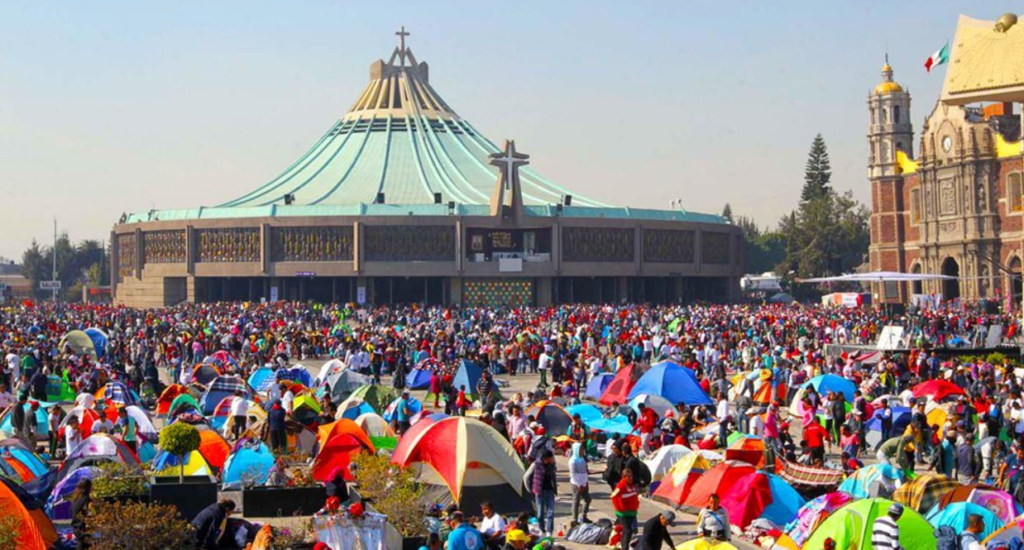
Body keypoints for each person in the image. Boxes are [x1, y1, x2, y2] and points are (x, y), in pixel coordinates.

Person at [610, 467, 640, 550]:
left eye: (631, 476)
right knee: (628, 531)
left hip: (631, 513)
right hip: (623, 514)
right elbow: (613, 496)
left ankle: (623, 547)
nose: (631, 478)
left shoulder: (632, 485)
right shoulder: (621, 486)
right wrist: (620, 508)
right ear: (624, 477)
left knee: (626, 532)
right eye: (629, 476)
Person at [532, 450, 557, 537]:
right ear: (545, 458)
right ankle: (542, 529)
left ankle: (549, 531)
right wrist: (532, 489)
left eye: (551, 458)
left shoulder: (552, 465)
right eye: (549, 458)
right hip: (539, 492)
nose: (551, 460)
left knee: (551, 512)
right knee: (540, 513)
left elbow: (553, 477)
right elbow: (526, 477)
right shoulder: (536, 464)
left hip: (550, 491)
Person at [568, 441, 592, 525]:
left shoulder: (582, 459)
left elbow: (585, 470)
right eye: (581, 449)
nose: (583, 450)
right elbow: (573, 474)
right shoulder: (572, 461)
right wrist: (579, 485)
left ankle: (583, 516)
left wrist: (585, 481)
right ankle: (574, 519)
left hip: (584, 482)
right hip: (577, 484)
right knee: (576, 501)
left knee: (587, 499)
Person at [70, 478, 92, 549]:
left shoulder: (76, 500)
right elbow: (90, 514)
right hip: (84, 529)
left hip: (76, 528)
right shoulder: (87, 500)